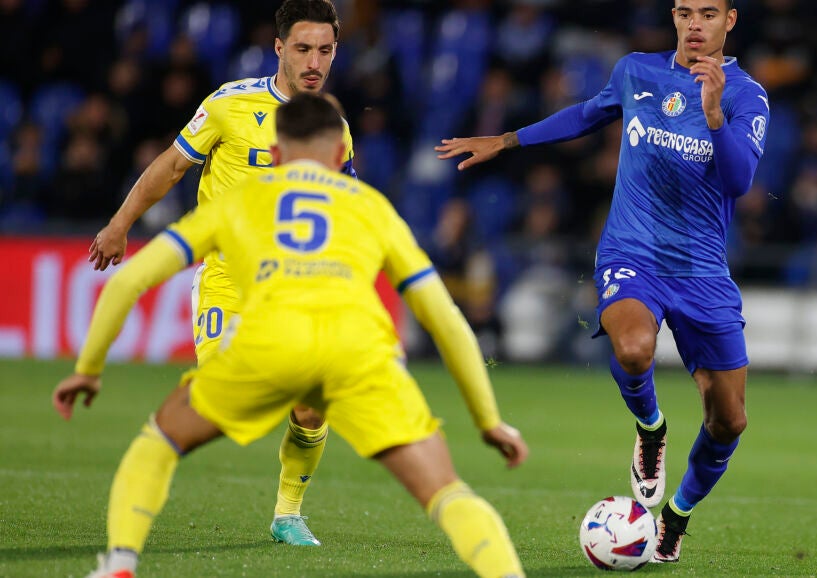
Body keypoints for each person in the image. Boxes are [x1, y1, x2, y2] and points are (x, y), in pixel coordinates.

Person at [53, 93, 529, 578]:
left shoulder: (240, 201)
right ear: (341, 155)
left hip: (268, 344)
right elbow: (446, 319)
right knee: (447, 492)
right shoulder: (373, 208)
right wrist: (489, 420)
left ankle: (121, 562)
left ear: (276, 154)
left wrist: (88, 369)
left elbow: (129, 282)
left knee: (159, 442)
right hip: (357, 352)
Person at [436, 0, 767, 563]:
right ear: (673, 16)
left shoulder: (746, 95)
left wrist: (714, 115)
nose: (694, 24)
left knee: (729, 421)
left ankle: (675, 518)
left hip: (702, 270)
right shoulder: (636, 70)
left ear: (729, 20)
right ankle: (651, 428)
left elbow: (738, 181)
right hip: (631, 252)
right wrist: (509, 139)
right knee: (633, 349)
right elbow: (588, 114)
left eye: (708, 14)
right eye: (685, 12)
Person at [89, 0, 354, 546]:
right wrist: (119, 224)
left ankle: (288, 514)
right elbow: (171, 166)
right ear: (279, 48)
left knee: (311, 407)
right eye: (303, 49)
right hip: (228, 281)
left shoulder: (335, 129)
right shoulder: (230, 104)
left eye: (325, 51)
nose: (314, 63)